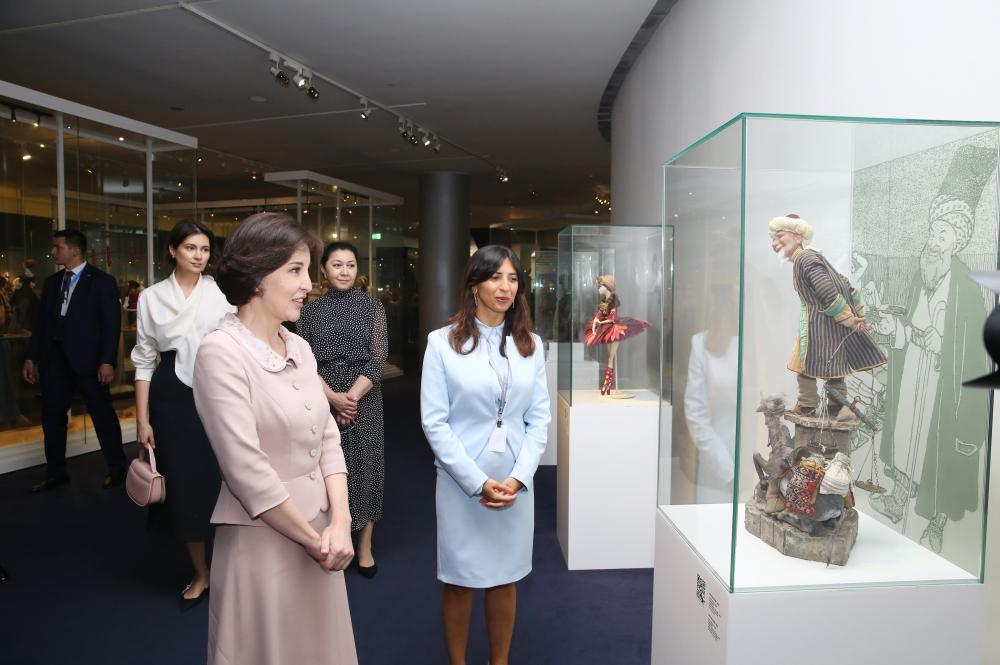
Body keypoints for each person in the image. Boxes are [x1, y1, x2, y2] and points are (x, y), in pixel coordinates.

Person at [192, 212, 357, 665]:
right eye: (295, 270)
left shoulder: (299, 347)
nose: (308, 284)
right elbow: (247, 473)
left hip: (322, 533)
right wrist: (314, 542)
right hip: (263, 542)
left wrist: (340, 524)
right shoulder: (220, 353)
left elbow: (328, 439)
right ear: (257, 276)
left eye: (307, 270)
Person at [420, 245, 550, 665]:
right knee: (459, 580)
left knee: (505, 579)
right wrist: (477, 481)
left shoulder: (532, 345)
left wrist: (518, 478)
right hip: (462, 482)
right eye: (495, 277)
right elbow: (434, 422)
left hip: (513, 483)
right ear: (474, 284)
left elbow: (539, 419)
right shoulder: (442, 343)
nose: (505, 287)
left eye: (513, 279)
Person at [131, 220, 234, 610]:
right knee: (185, 486)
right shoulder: (151, 297)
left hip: (219, 388)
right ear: (172, 250)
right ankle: (201, 573)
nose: (199, 255)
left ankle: (231, 571)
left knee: (228, 479)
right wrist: (143, 420)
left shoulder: (222, 292)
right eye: (191, 248)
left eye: (205, 249)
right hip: (171, 397)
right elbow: (144, 361)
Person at [297, 242, 387, 578]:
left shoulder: (373, 307)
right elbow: (304, 361)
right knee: (326, 469)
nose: (345, 271)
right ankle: (332, 536)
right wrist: (333, 398)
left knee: (367, 468)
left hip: (366, 396)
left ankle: (364, 547)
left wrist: (351, 397)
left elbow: (378, 357)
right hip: (321, 395)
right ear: (323, 269)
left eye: (350, 265)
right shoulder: (308, 311)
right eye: (337, 265)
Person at [22, 229, 125, 492]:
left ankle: (117, 469)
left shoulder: (102, 282)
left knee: (102, 415)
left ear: (75, 250)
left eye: (57, 247)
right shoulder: (52, 282)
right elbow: (41, 325)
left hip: (89, 362)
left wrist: (107, 361)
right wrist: (31, 357)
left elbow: (111, 326)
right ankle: (56, 473)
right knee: (52, 419)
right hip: (54, 361)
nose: (53, 252)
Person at [768, 214, 886, 417]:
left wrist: (849, 319)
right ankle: (836, 408)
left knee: (803, 365)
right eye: (773, 238)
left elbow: (827, 291)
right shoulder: (813, 258)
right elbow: (847, 286)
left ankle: (807, 405)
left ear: (798, 237)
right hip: (828, 325)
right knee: (834, 368)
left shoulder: (804, 259)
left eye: (780, 236)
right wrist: (855, 314)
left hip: (819, 326)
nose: (774, 243)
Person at [582, 274, 650, 395]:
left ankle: (607, 382)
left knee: (610, 357)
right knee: (609, 356)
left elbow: (612, 319)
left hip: (614, 329)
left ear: (607, 287)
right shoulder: (604, 301)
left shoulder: (612, 301)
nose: (599, 288)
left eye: (600, 286)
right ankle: (609, 384)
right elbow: (599, 315)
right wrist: (595, 323)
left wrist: (600, 322)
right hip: (607, 329)